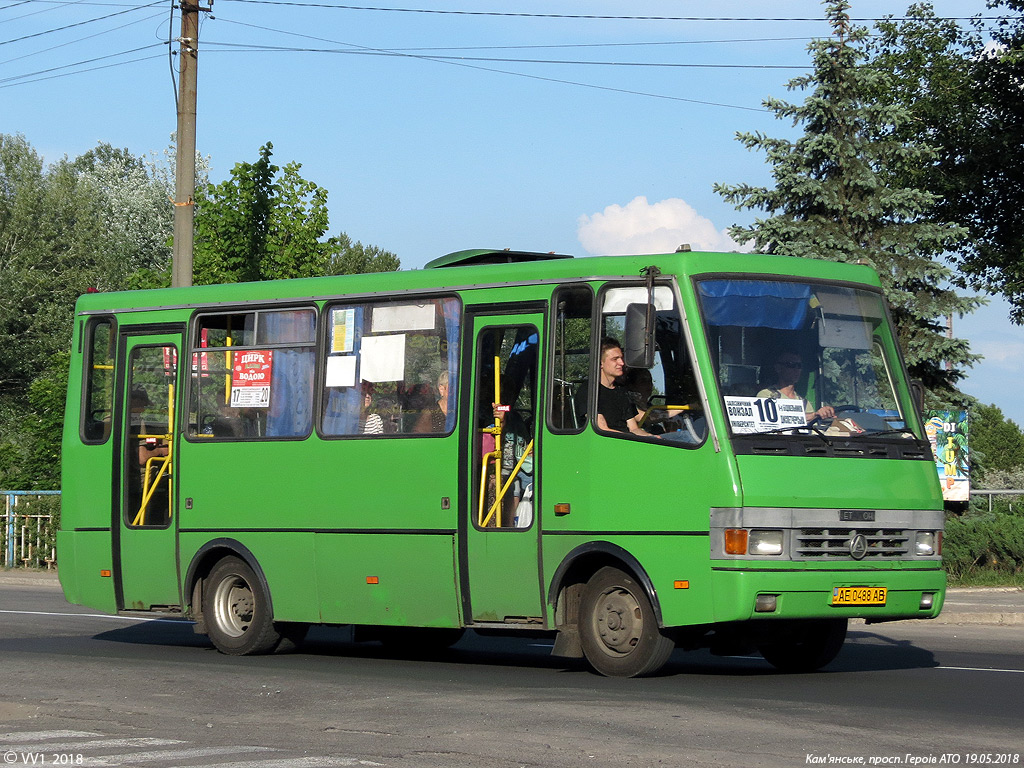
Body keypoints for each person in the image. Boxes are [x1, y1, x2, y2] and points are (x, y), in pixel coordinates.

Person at [595, 338, 658, 437]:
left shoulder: (621, 391)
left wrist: (651, 437)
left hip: (629, 441)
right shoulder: (590, 392)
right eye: (615, 359)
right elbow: (602, 430)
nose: (622, 363)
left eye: (621, 358)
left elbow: (634, 429)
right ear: (600, 363)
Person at [757, 352, 835, 422]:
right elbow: (770, 420)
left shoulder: (804, 403)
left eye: (799, 366)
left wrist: (826, 415)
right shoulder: (766, 395)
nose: (796, 369)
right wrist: (813, 415)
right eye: (791, 365)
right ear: (778, 368)